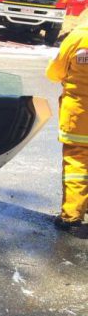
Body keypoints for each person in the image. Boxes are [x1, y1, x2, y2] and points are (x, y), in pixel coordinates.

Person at [45, 22, 88, 238]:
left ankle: (71, 217)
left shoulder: (78, 37)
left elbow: (54, 72)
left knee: (77, 164)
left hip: (79, 117)